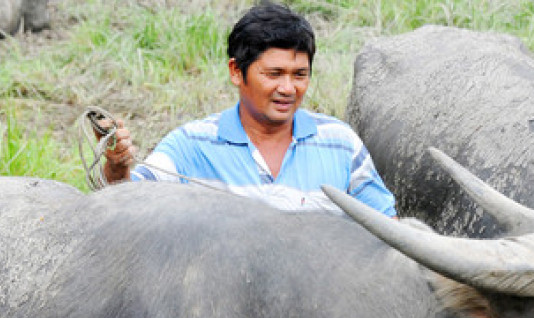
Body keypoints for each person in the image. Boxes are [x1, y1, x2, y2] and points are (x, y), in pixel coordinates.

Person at [98, 2, 396, 216]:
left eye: (299, 74)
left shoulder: (341, 144)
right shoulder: (192, 145)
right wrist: (118, 166)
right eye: (274, 74)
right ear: (236, 72)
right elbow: (128, 210)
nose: (289, 88)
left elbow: (389, 231)